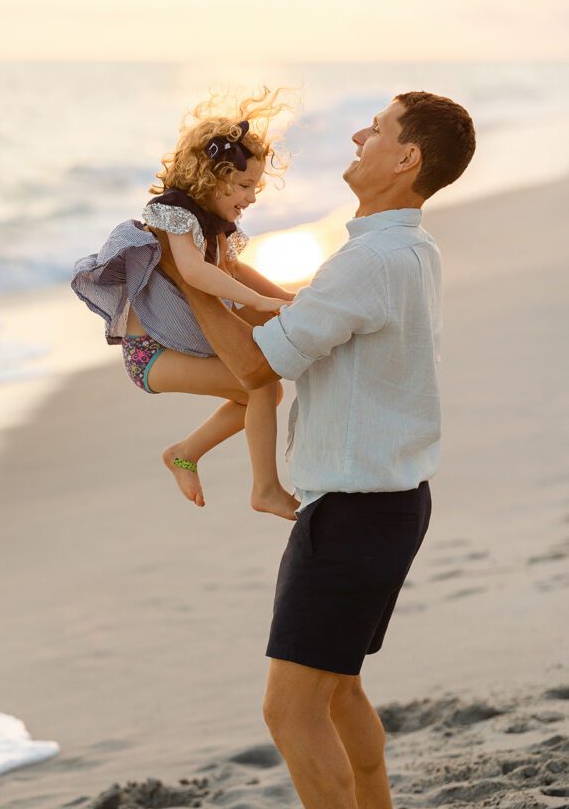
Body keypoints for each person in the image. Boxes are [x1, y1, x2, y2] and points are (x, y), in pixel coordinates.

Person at [155, 90, 476, 809]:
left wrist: (191, 280)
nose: (360, 133)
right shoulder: (403, 248)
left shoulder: (370, 263)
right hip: (388, 507)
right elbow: (302, 324)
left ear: (405, 159)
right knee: (335, 691)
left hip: (354, 519)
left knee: (290, 711)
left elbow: (259, 368)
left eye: (379, 128)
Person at [72, 88, 300, 521]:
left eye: (256, 187)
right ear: (212, 178)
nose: (252, 197)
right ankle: (265, 489)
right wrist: (257, 301)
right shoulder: (173, 213)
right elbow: (195, 273)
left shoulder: (215, 223)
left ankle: (184, 453)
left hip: (165, 349)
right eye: (244, 185)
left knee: (265, 392)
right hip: (149, 354)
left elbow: (232, 269)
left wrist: (284, 298)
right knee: (262, 386)